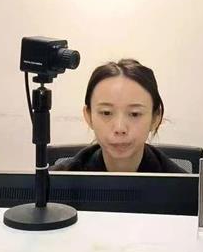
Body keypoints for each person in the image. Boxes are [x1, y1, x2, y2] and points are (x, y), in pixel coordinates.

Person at [53, 58, 188, 173]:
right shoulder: (54, 182)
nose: (120, 128)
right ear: (88, 116)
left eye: (134, 114)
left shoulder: (184, 188)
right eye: (106, 113)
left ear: (155, 118)